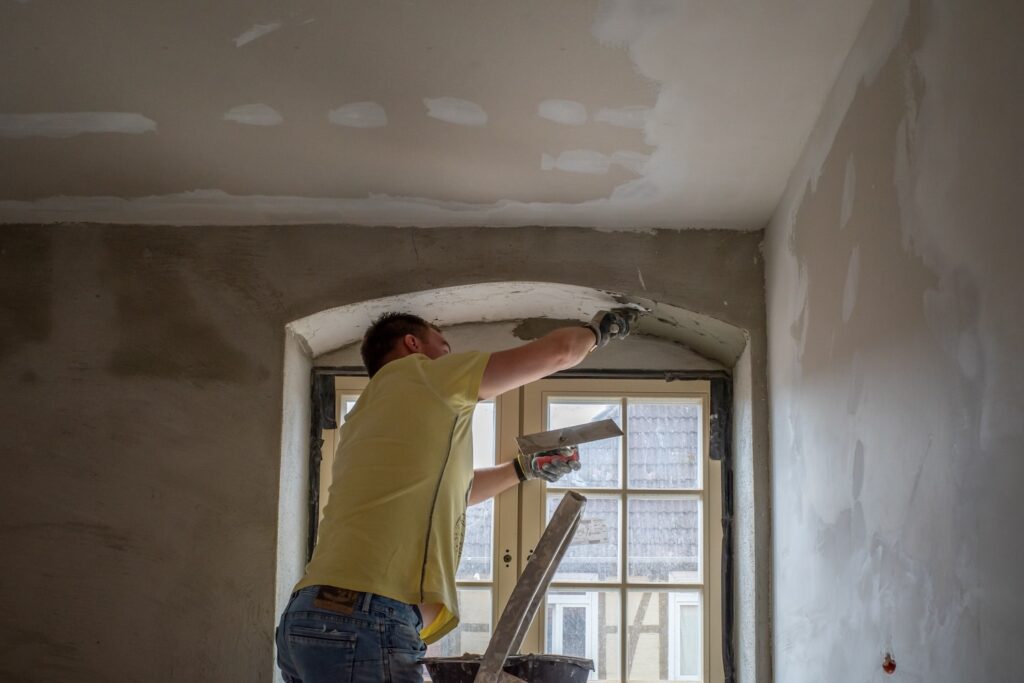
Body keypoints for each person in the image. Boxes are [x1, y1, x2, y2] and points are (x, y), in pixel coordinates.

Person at [275, 308, 636, 683]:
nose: (452, 359)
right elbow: (560, 351)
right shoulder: (422, 374)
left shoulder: (368, 415)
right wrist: (598, 331)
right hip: (365, 621)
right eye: (444, 347)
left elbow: (451, 494)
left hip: (305, 618)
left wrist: (523, 469)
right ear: (413, 344)